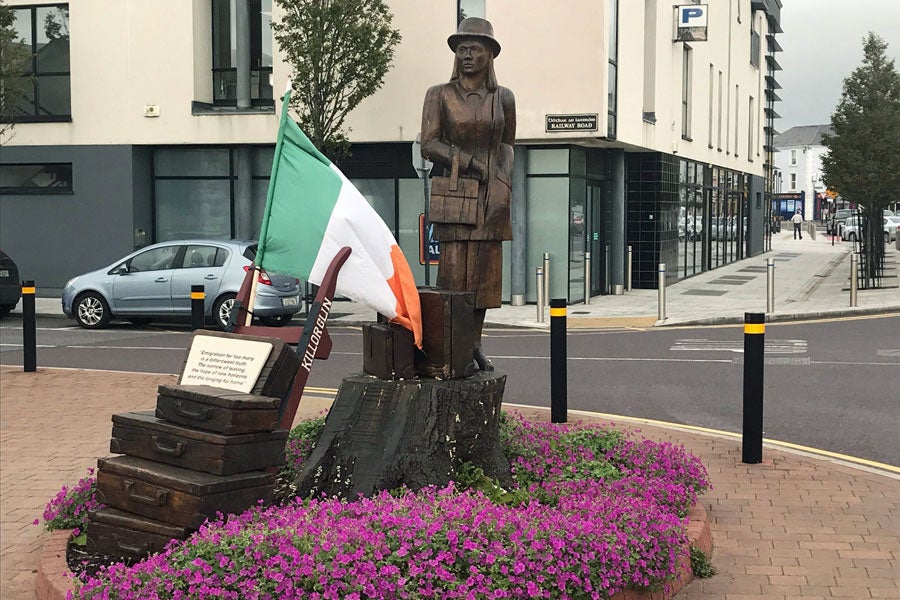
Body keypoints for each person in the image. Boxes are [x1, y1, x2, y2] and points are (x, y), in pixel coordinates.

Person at [421, 17, 516, 371]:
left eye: (475, 49)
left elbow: (507, 145)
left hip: (492, 196)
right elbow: (429, 144)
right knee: (454, 276)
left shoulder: (503, 97)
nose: (467, 56)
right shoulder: (439, 95)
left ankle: (474, 344)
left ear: (490, 54)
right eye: (462, 49)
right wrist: (472, 163)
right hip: (456, 192)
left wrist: (503, 186)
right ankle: (451, 347)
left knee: (483, 278)